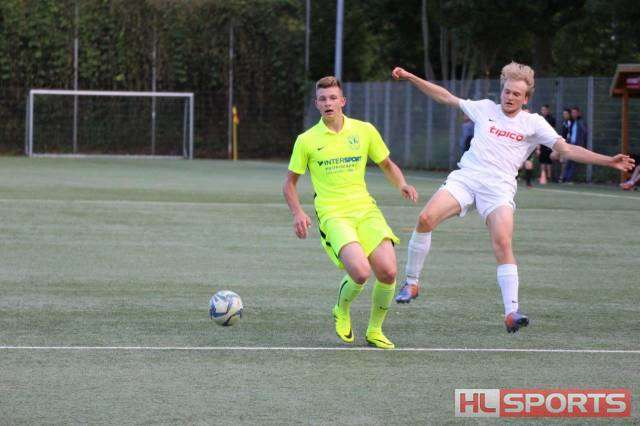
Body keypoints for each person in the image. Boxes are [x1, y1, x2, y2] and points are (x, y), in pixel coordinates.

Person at [390, 62, 635, 332]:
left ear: (525, 98)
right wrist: (411, 76)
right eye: (507, 92)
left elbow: (566, 150)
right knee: (425, 218)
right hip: (467, 178)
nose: (509, 97)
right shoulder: (485, 108)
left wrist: (608, 161)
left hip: (499, 188)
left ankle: (511, 313)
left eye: (516, 94)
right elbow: (444, 96)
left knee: (503, 242)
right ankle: (411, 283)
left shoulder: (533, 123)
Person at [283, 76, 418, 349]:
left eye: (333, 98)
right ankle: (341, 309)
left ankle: (375, 330)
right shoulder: (306, 140)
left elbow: (386, 164)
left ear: (342, 101)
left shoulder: (364, 130)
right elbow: (289, 184)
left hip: (365, 209)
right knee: (360, 271)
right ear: (316, 104)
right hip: (333, 214)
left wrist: (402, 184)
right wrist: (298, 213)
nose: (328, 103)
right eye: (323, 99)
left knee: (388, 271)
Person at [562, 106, 588, 183]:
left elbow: (584, 134)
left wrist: (582, 144)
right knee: (568, 161)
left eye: (575, 112)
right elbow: (569, 133)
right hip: (571, 144)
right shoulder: (571, 122)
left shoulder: (581, 122)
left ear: (579, 113)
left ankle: (569, 178)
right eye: (572, 113)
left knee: (573, 162)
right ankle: (565, 178)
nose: (573, 114)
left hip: (578, 145)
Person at [537, 105, 556, 183]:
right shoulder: (540, 119)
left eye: (545, 110)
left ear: (548, 110)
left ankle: (549, 177)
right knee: (542, 161)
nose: (543, 111)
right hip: (541, 142)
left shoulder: (551, 119)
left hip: (548, 141)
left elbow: (553, 130)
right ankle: (543, 176)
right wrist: (538, 146)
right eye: (542, 110)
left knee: (548, 161)